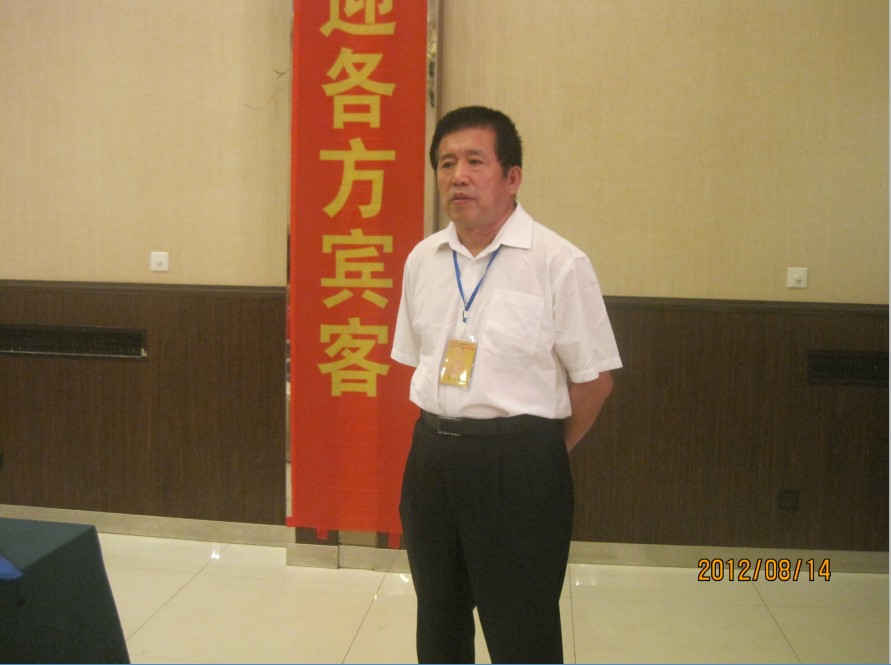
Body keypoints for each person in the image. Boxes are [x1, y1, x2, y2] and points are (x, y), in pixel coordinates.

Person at [391, 106, 622, 664]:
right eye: (446, 163)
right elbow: (416, 359)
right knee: (438, 622)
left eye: (475, 161)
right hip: (432, 460)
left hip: (520, 466)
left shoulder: (558, 262)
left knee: (522, 630)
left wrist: (536, 450)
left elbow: (595, 383)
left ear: (512, 177)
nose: (458, 176)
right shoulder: (424, 259)